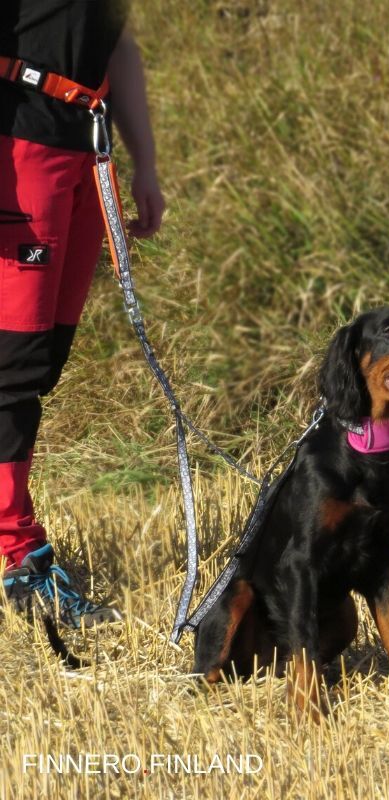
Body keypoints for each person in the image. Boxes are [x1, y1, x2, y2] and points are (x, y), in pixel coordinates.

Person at [0, 1, 164, 626]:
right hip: (19, 148)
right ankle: (22, 558)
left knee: (41, 363)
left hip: (86, 148)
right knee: (11, 368)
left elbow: (117, 41)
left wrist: (143, 164)